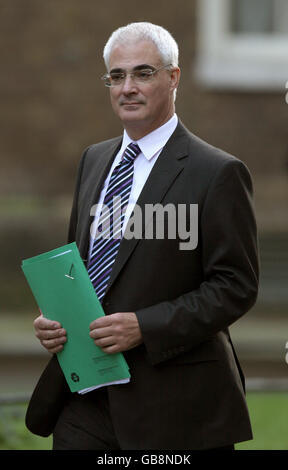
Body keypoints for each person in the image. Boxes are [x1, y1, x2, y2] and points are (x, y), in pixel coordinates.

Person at [26, 22, 259, 450]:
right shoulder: (93, 160)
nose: (127, 87)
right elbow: (78, 265)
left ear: (173, 78)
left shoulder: (217, 173)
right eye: (117, 76)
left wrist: (144, 327)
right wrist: (55, 316)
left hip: (174, 407)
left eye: (143, 73)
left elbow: (236, 286)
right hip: (84, 399)